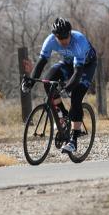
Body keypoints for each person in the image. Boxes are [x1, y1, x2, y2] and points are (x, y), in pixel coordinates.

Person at [21, 18, 97, 154]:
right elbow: (41, 63)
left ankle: (73, 140)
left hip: (85, 66)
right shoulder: (50, 40)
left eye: (66, 37)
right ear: (55, 36)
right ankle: (63, 116)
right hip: (68, 64)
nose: (63, 41)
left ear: (70, 34)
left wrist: (67, 89)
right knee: (48, 81)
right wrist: (30, 81)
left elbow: (78, 72)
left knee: (76, 97)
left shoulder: (79, 41)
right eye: (60, 38)